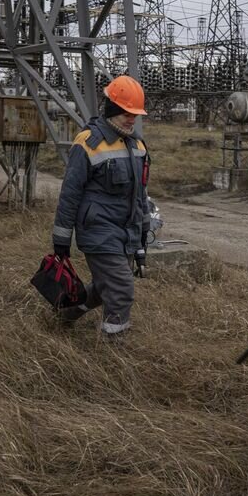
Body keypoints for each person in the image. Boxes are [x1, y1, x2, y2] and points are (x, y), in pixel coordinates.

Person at [50, 75, 151, 339]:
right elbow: (70, 194)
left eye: (135, 114)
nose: (131, 119)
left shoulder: (137, 145)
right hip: (98, 231)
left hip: (126, 231)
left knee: (105, 286)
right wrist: (61, 239)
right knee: (121, 290)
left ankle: (66, 313)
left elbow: (140, 193)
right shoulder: (87, 143)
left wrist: (143, 231)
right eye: (126, 113)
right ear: (112, 109)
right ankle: (112, 348)